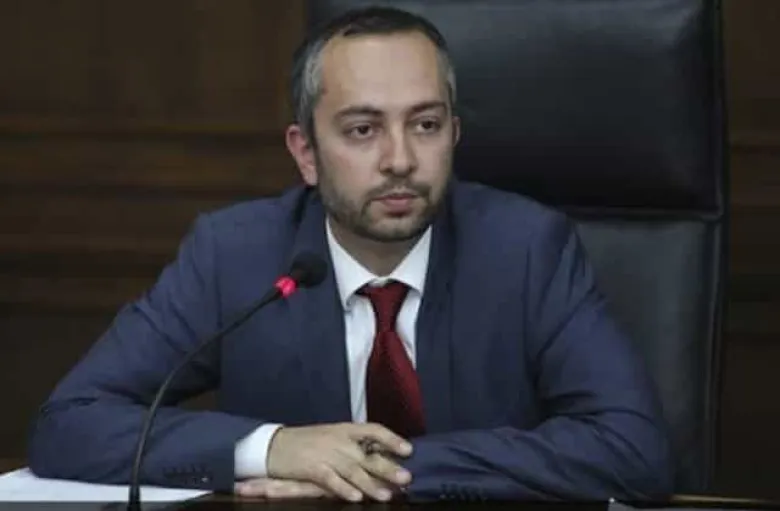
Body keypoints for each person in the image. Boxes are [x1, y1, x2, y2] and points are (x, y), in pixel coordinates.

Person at [28, 5, 673, 503]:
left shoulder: (528, 249)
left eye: (425, 125)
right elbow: (70, 423)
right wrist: (272, 449)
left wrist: (373, 467)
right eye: (363, 130)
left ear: (454, 134)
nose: (400, 159)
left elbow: (633, 448)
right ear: (305, 153)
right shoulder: (235, 255)